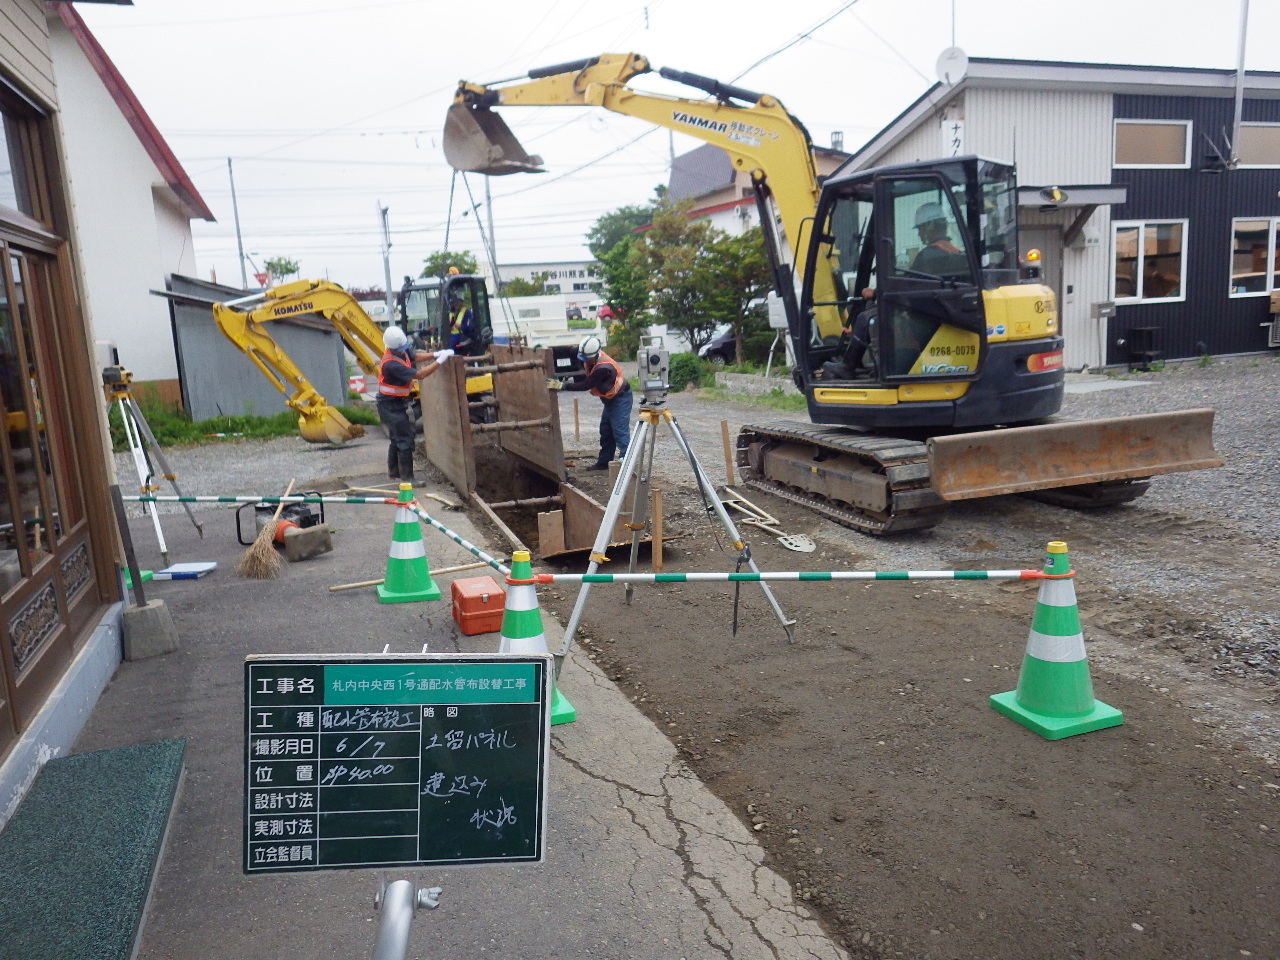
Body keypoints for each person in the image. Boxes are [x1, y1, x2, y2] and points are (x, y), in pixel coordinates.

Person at [378, 325, 453, 485]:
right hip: (390, 405)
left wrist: (434, 354)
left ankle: (394, 473)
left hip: (393, 402)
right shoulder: (391, 364)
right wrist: (440, 361)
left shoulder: (397, 350)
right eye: (401, 348)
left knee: (396, 438)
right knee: (405, 439)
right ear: (393, 347)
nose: (403, 350)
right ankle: (407, 479)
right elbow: (420, 374)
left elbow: (414, 356)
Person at [546, 335, 633, 471]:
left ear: (595, 355)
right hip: (610, 399)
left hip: (620, 398)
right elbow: (566, 350)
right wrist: (544, 350)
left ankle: (627, 465)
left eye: (587, 359)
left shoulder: (603, 368)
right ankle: (604, 463)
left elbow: (585, 384)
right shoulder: (586, 353)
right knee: (606, 430)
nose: (585, 361)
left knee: (620, 432)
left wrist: (562, 385)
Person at [909, 202, 968, 277]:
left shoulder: (926, 256)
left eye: (920, 229)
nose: (919, 234)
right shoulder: (956, 251)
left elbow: (910, 282)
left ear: (930, 227)